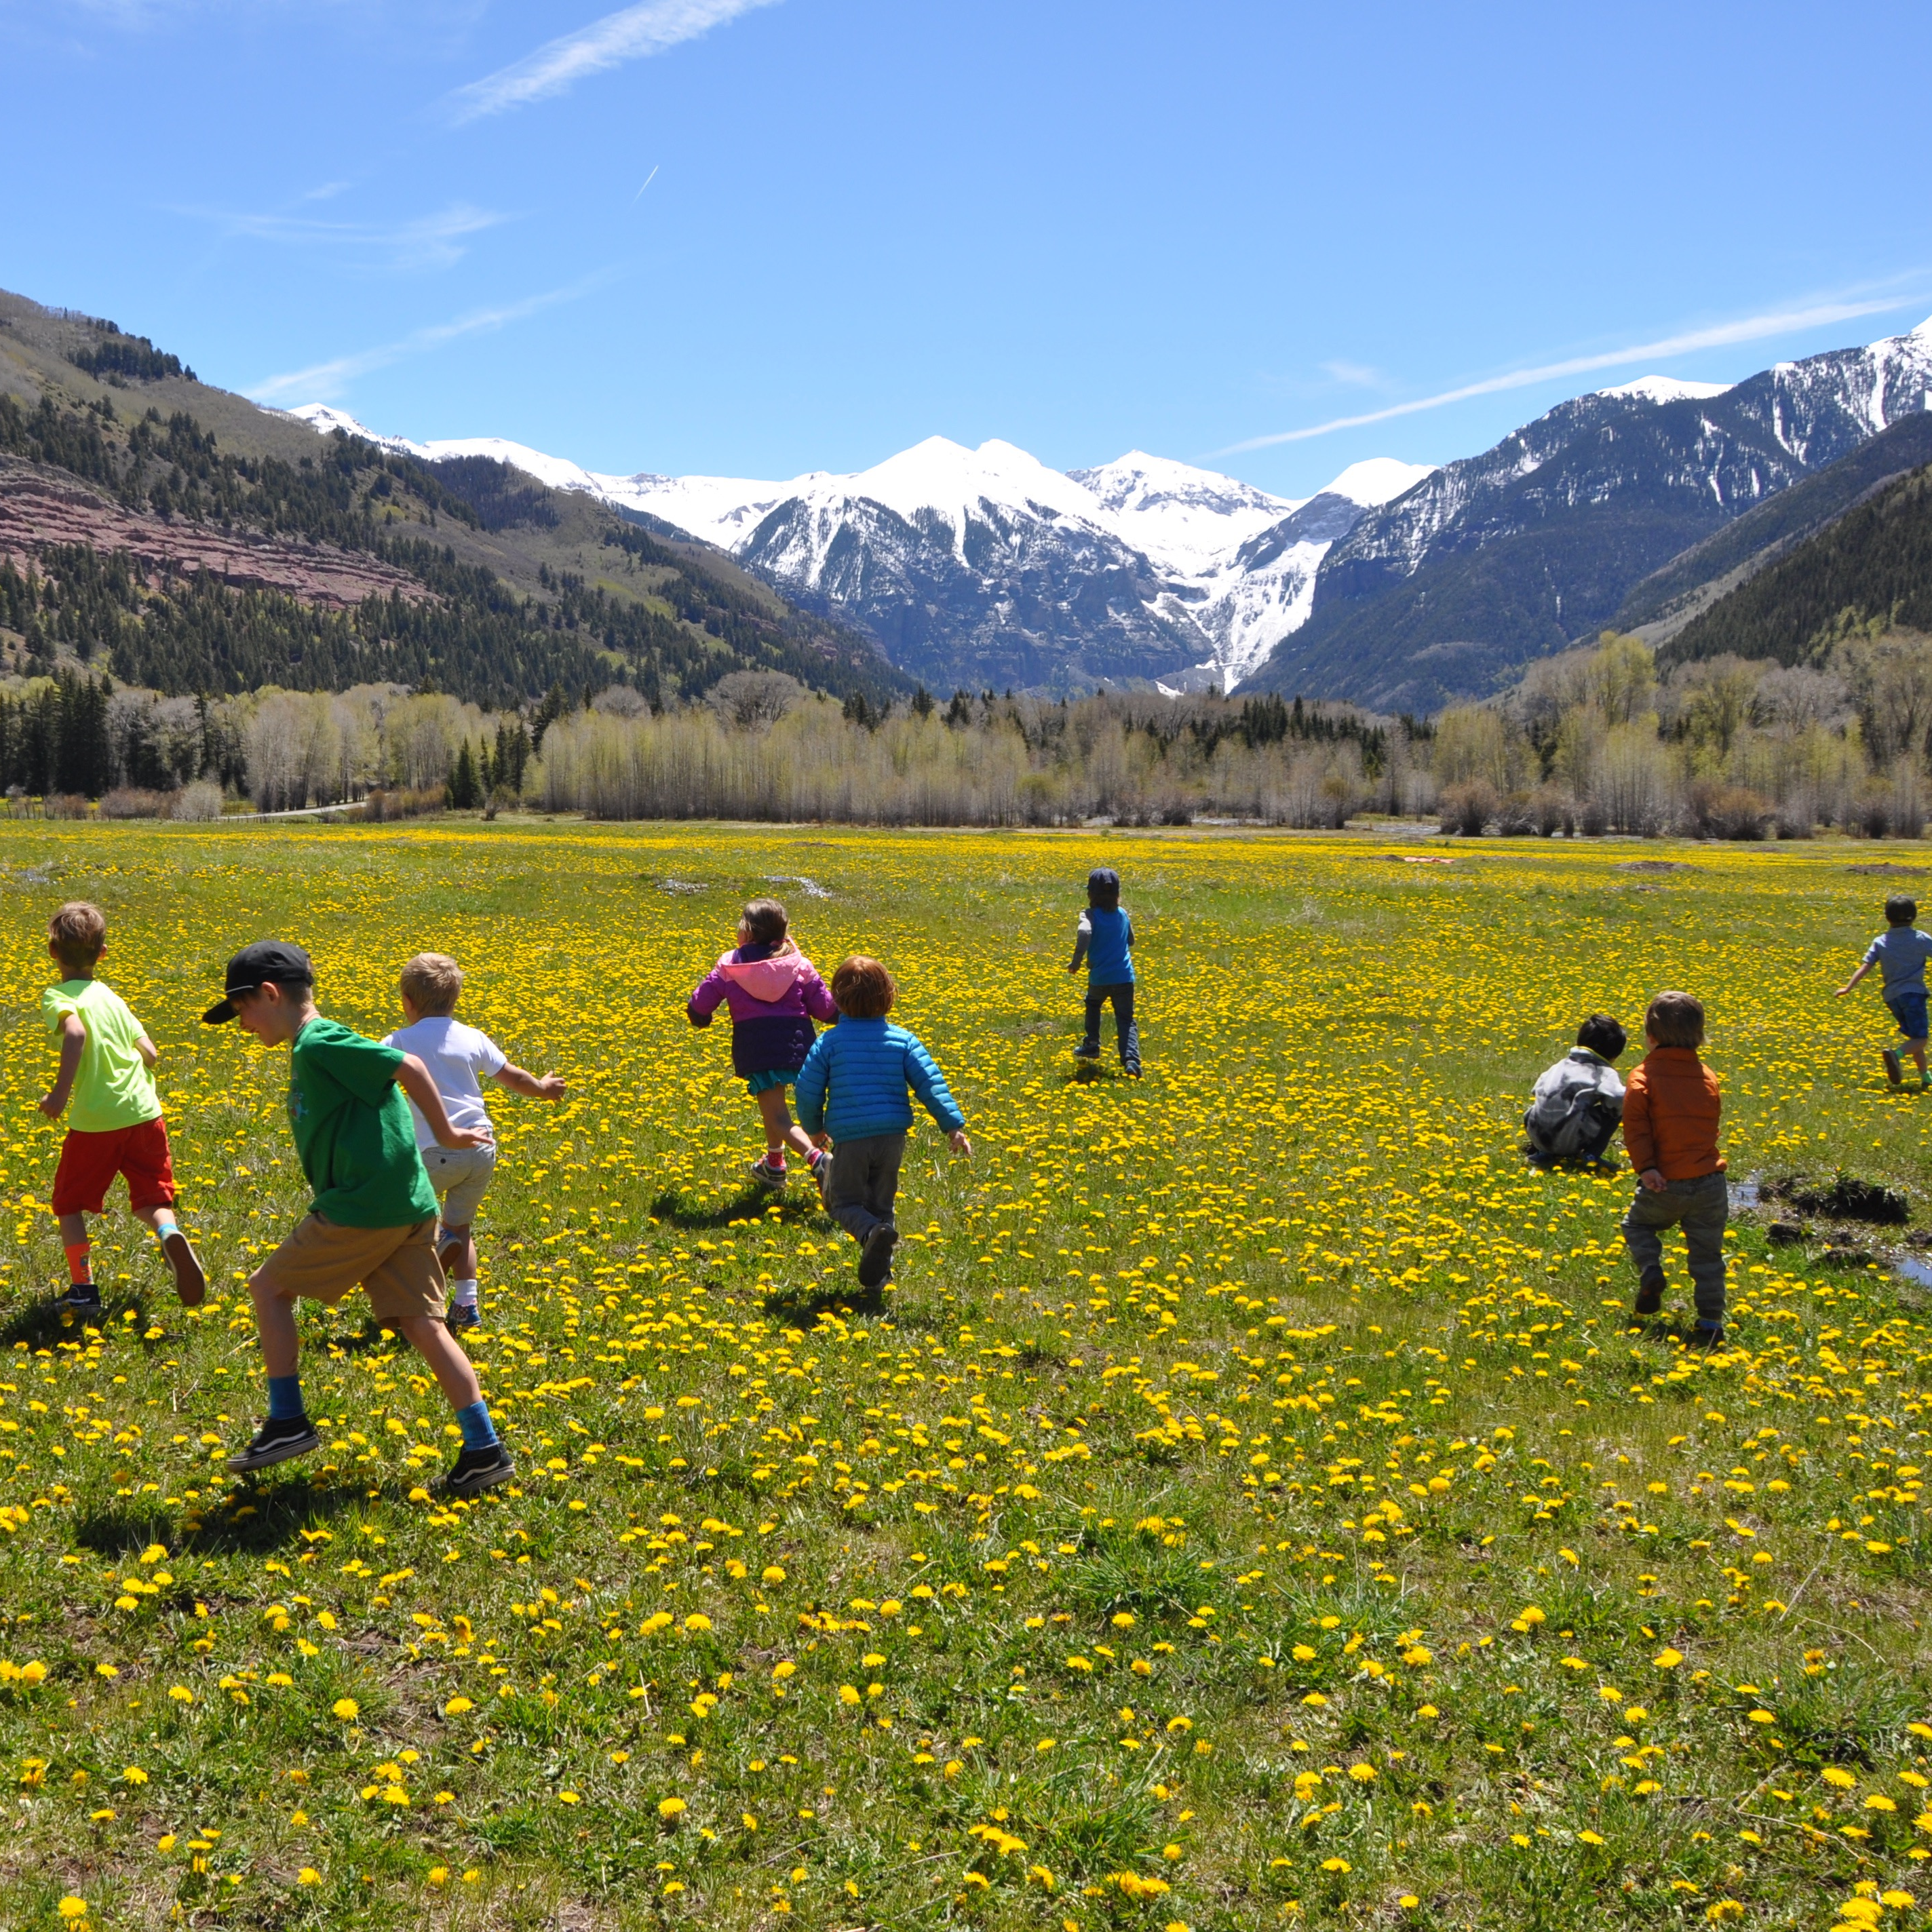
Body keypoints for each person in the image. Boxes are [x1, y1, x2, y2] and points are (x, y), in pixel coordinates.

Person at [202, 941, 513, 1495]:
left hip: (365, 1205)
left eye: (242, 1010)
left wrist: (443, 1135)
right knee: (423, 1325)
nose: (242, 1024)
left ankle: (287, 1419)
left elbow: (410, 1065)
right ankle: (484, 1447)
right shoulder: (315, 1046)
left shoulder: (320, 1041)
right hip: (406, 1202)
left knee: (269, 1289)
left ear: (270, 995)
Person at [383, 952, 568, 1332]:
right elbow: (515, 1078)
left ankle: (414, 1295)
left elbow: (372, 1080)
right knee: (461, 1227)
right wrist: (545, 1089)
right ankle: (466, 1304)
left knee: (403, 1225)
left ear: (407, 1002)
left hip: (432, 1154)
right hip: (481, 1149)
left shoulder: (398, 1040)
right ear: (455, 999)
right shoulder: (472, 1037)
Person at [38, 900, 204, 1317]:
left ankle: (84, 1291)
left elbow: (74, 1033)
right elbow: (149, 1053)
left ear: (53, 953)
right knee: (152, 1196)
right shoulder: (112, 996)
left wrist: (59, 1095)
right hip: (146, 1113)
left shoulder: (57, 995)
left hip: (98, 1120)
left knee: (68, 1205)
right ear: (103, 954)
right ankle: (168, 1232)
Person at [793, 955, 970, 1290]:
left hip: (851, 1138)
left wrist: (814, 1127)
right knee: (881, 1205)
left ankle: (872, 1234)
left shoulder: (829, 1043)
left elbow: (807, 1088)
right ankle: (880, 1273)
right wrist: (953, 1126)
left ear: (837, 999)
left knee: (844, 1202)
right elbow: (931, 1084)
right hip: (891, 1139)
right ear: (889, 995)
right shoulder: (903, 1041)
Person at [687, 898, 838, 1191]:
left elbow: (700, 1004)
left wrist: (699, 1016)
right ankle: (774, 1165)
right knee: (776, 1110)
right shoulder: (798, 963)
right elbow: (826, 1009)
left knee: (778, 1115)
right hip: (798, 1043)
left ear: (746, 931)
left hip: (757, 1045)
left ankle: (818, 1160)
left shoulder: (730, 965)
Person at [1621, 990, 1726, 1346]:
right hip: (1710, 1182)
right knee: (1708, 1255)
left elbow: (1637, 1129)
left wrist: (1647, 1168)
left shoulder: (1642, 1077)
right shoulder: (1708, 1075)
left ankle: (1651, 1270)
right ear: (1699, 1034)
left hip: (1665, 1181)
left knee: (1637, 1225)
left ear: (1650, 1035)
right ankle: (1711, 1324)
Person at [1836, 893, 1932, 1089]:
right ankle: (1895, 1055)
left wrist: (1848, 987)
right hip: (1913, 994)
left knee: (1915, 1038)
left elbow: (1865, 966)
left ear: (1887, 917)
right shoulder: (1921, 939)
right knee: (1921, 1038)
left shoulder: (1881, 941)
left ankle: (1926, 1078)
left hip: (1892, 997)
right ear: (1914, 916)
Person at [1522, 1014, 1627, 1165]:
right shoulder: (1602, 1071)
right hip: (1569, 1141)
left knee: (1539, 1107)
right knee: (1615, 1112)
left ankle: (1543, 1154)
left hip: (1538, 1134)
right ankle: (1591, 1157)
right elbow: (1619, 1098)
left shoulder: (1560, 1065)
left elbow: (1536, 1090)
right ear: (1614, 1055)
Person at [1069, 866, 1140, 1076]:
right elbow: (1131, 940)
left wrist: (1077, 960)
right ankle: (1131, 1061)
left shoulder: (1089, 915)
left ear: (1091, 893)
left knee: (1093, 1004)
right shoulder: (1123, 913)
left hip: (1100, 977)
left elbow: (1084, 932)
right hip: (1125, 977)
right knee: (1126, 1019)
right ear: (1117, 893)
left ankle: (1092, 1044)